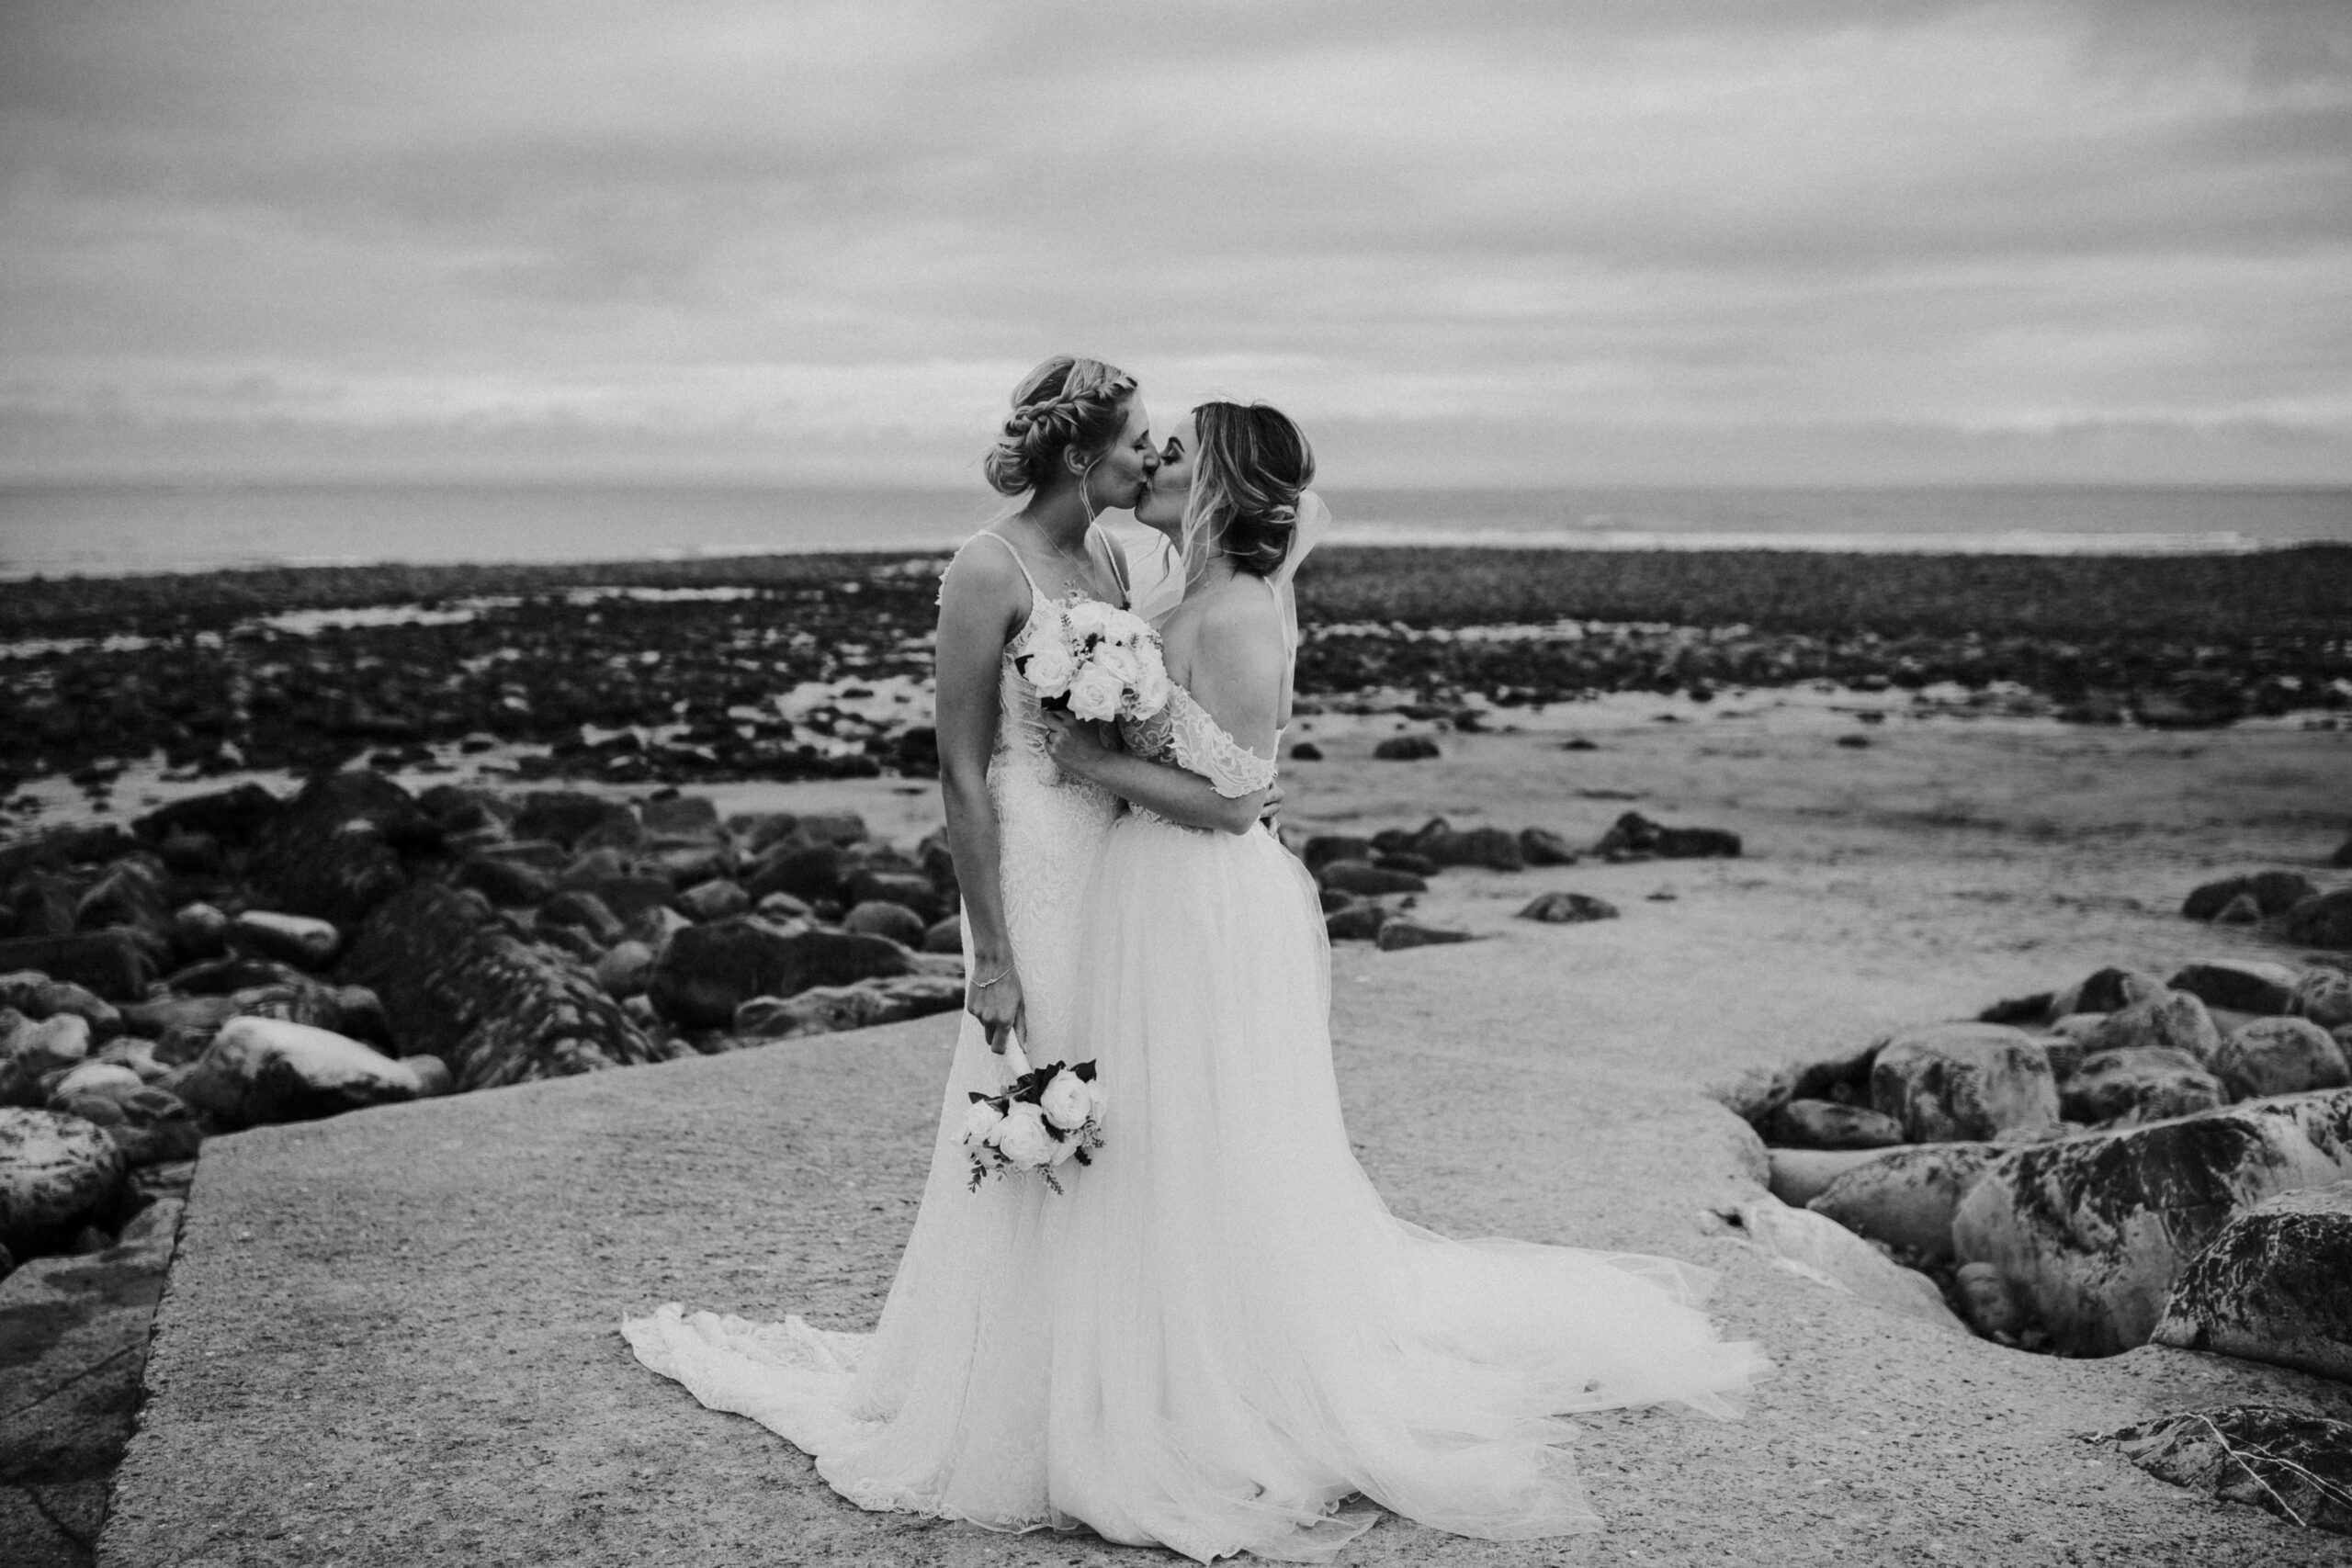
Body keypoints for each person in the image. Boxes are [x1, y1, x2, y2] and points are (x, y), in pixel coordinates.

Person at [1021, 400, 1771, 1561]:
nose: (1158, 463)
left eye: (1179, 453)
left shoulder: (1233, 617)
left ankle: (1228, 1381)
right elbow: (1297, 516)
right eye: (1156, 450)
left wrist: (1090, 760)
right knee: (1164, 1134)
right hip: (1150, 894)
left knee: (1211, 1132)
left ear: (1218, 482)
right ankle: (1157, 1355)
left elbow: (1233, 802)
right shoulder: (1175, 591)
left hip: (1204, 898)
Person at [619, 355, 1165, 1532]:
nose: (1147, 461)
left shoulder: (1116, 555)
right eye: (1135, 443)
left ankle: (1118, 1383)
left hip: (1117, 859)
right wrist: (993, 954)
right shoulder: (986, 567)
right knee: (1043, 1096)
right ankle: (1016, 1405)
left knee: (1128, 1111)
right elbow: (962, 774)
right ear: (1082, 455)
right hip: (1033, 861)